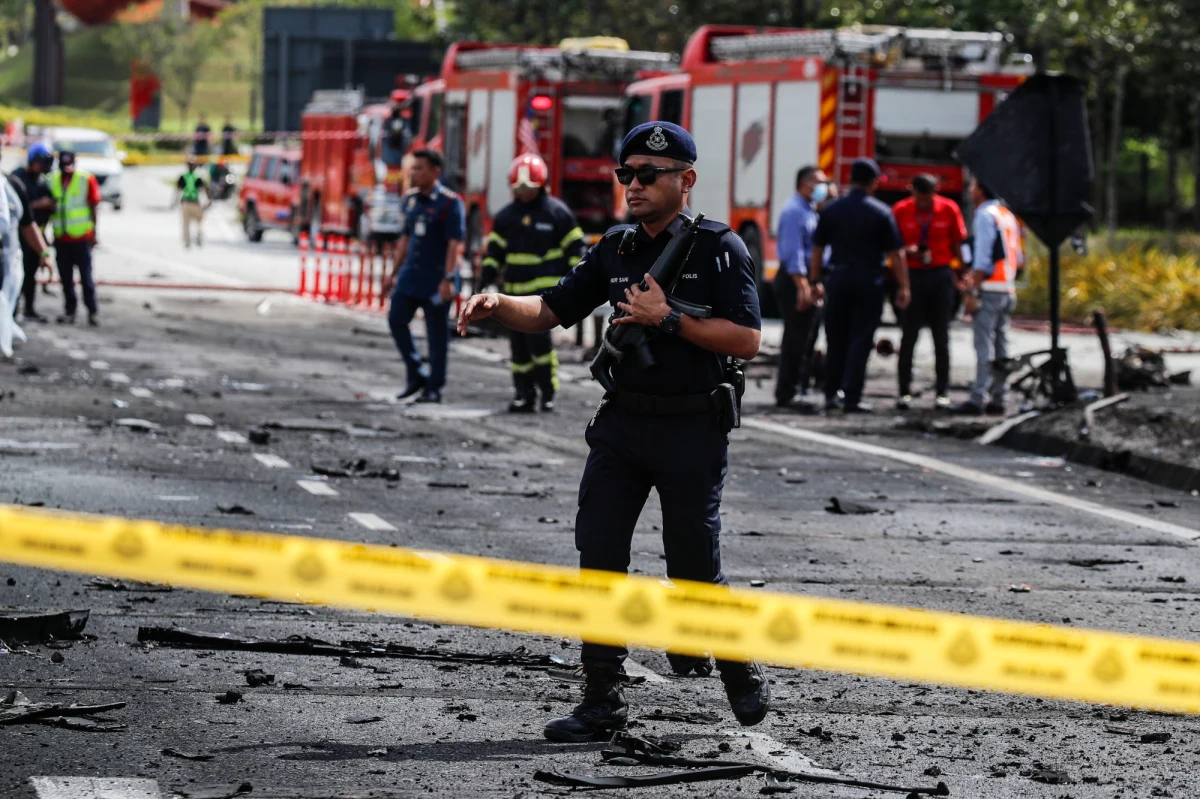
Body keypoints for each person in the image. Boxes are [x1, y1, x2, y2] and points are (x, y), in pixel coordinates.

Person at [458, 121, 770, 742]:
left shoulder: (720, 249)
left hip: (691, 430)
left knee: (693, 568)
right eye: (626, 174)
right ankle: (601, 700)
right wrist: (497, 302)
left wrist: (668, 318)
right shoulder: (616, 248)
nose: (634, 184)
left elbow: (747, 340)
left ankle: (738, 667)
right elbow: (550, 309)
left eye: (648, 175)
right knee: (598, 556)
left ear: (686, 179)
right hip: (622, 425)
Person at [480, 153, 585, 413]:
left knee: (540, 348)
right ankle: (523, 394)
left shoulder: (557, 213)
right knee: (519, 351)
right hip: (514, 298)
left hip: (543, 300)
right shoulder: (506, 217)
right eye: (519, 188)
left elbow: (576, 251)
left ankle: (547, 393)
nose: (524, 193)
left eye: (528, 187)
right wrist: (486, 283)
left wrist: (575, 286)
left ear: (540, 186)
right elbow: (494, 255)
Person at [809, 158, 908, 414]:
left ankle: (831, 394)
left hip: (838, 280)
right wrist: (904, 286)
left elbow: (818, 249)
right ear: (873, 182)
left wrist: (815, 280)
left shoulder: (831, 210)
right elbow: (896, 254)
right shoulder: (881, 212)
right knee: (860, 340)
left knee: (835, 338)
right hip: (869, 282)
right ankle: (852, 396)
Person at [382, 149, 464, 404]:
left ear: (434, 171)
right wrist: (391, 274)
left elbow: (454, 244)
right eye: (413, 168)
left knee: (436, 334)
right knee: (396, 319)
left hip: (437, 277)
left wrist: (448, 278)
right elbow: (405, 240)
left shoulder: (450, 203)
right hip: (411, 275)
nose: (413, 173)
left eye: (419, 168)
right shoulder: (411, 200)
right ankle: (416, 373)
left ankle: (434, 387)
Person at [890, 174, 967, 410]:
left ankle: (942, 392)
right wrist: (908, 252)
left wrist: (963, 274)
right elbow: (892, 246)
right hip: (912, 274)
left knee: (941, 336)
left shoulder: (948, 209)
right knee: (909, 335)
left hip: (940, 274)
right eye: (921, 196)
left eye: (929, 196)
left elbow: (958, 243)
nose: (925, 201)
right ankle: (904, 391)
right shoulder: (901, 210)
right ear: (912, 192)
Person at [955, 178, 1022, 415]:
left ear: (981, 191)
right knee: (1002, 345)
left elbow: (983, 257)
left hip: (989, 289)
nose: (970, 191)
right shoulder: (1007, 215)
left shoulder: (985, 215)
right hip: (1007, 288)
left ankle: (977, 398)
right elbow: (1019, 257)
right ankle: (999, 398)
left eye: (972, 186)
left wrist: (973, 290)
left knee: (984, 346)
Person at [773, 165, 828, 408]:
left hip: (808, 279)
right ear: (805, 183)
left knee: (807, 337)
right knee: (796, 338)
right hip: (795, 280)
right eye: (820, 182)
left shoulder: (810, 210)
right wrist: (803, 286)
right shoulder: (795, 211)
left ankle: (800, 389)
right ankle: (787, 392)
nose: (824, 187)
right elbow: (793, 252)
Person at [48, 151, 101, 327]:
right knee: (65, 278)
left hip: (81, 238)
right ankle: (70, 311)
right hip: (61, 237)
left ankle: (92, 311)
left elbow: (94, 206)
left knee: (86, 277)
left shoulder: (86, 179)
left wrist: (94, 233)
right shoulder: (52, 179)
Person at [10, 143, 56, 323]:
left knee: (30, 274)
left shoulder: (42, 180)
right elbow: (21, 216)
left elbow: (31, 223)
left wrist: (43, 251)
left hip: (36, 236)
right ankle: (12, 312)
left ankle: (28, 309)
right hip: (18, 239)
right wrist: (38, 204)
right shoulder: (16, 179)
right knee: (14, 276)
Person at [175, 157, 208, 249]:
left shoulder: (183, 177)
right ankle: (199, 233)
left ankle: (187, 241)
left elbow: (178, 191)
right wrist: (206, 202)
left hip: (185, 202)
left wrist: (176, 202)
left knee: (186, 223)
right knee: (200, 221)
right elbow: (203, 191)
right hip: (196, 202)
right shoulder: (198, 177)